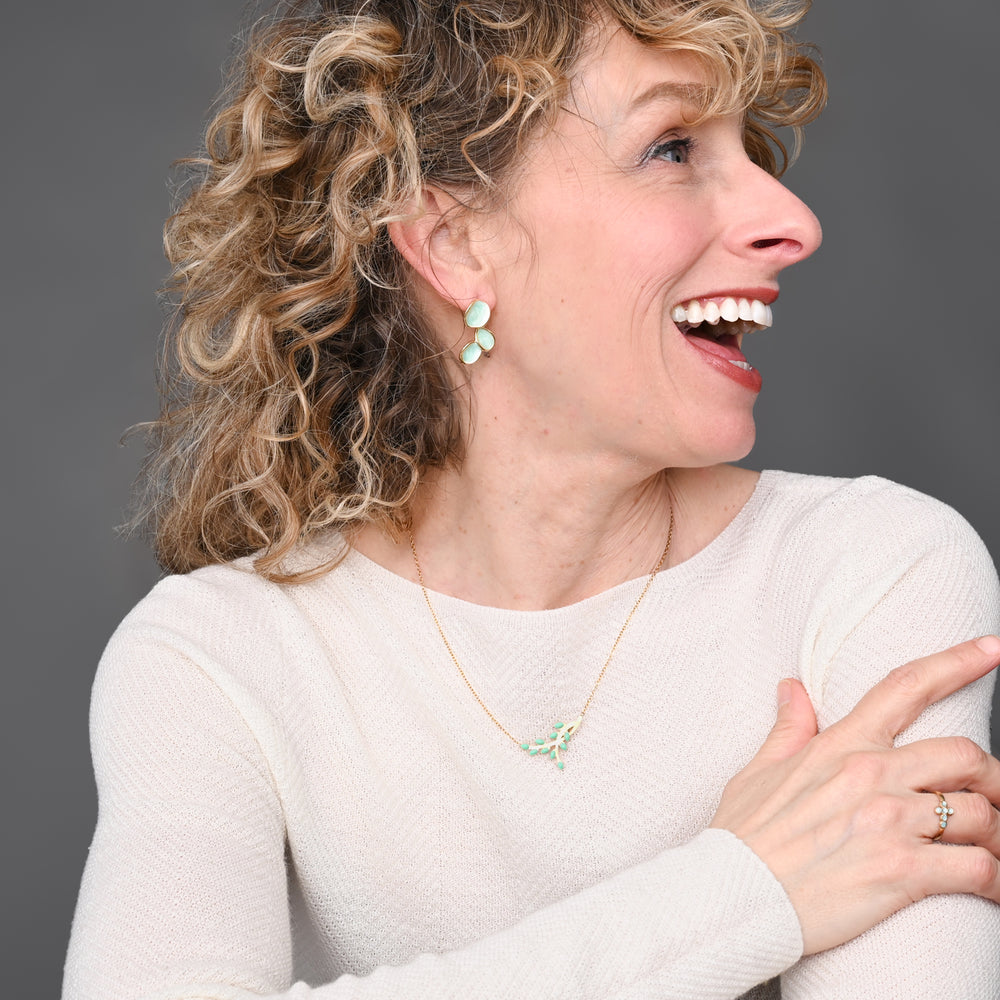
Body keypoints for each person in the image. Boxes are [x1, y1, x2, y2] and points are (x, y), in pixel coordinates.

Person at [63, 0, 1000, 997]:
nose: (793, 221)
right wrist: (744, 888)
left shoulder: (870, 571)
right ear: (455, 242)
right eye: (672, 147)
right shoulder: (219, 661)